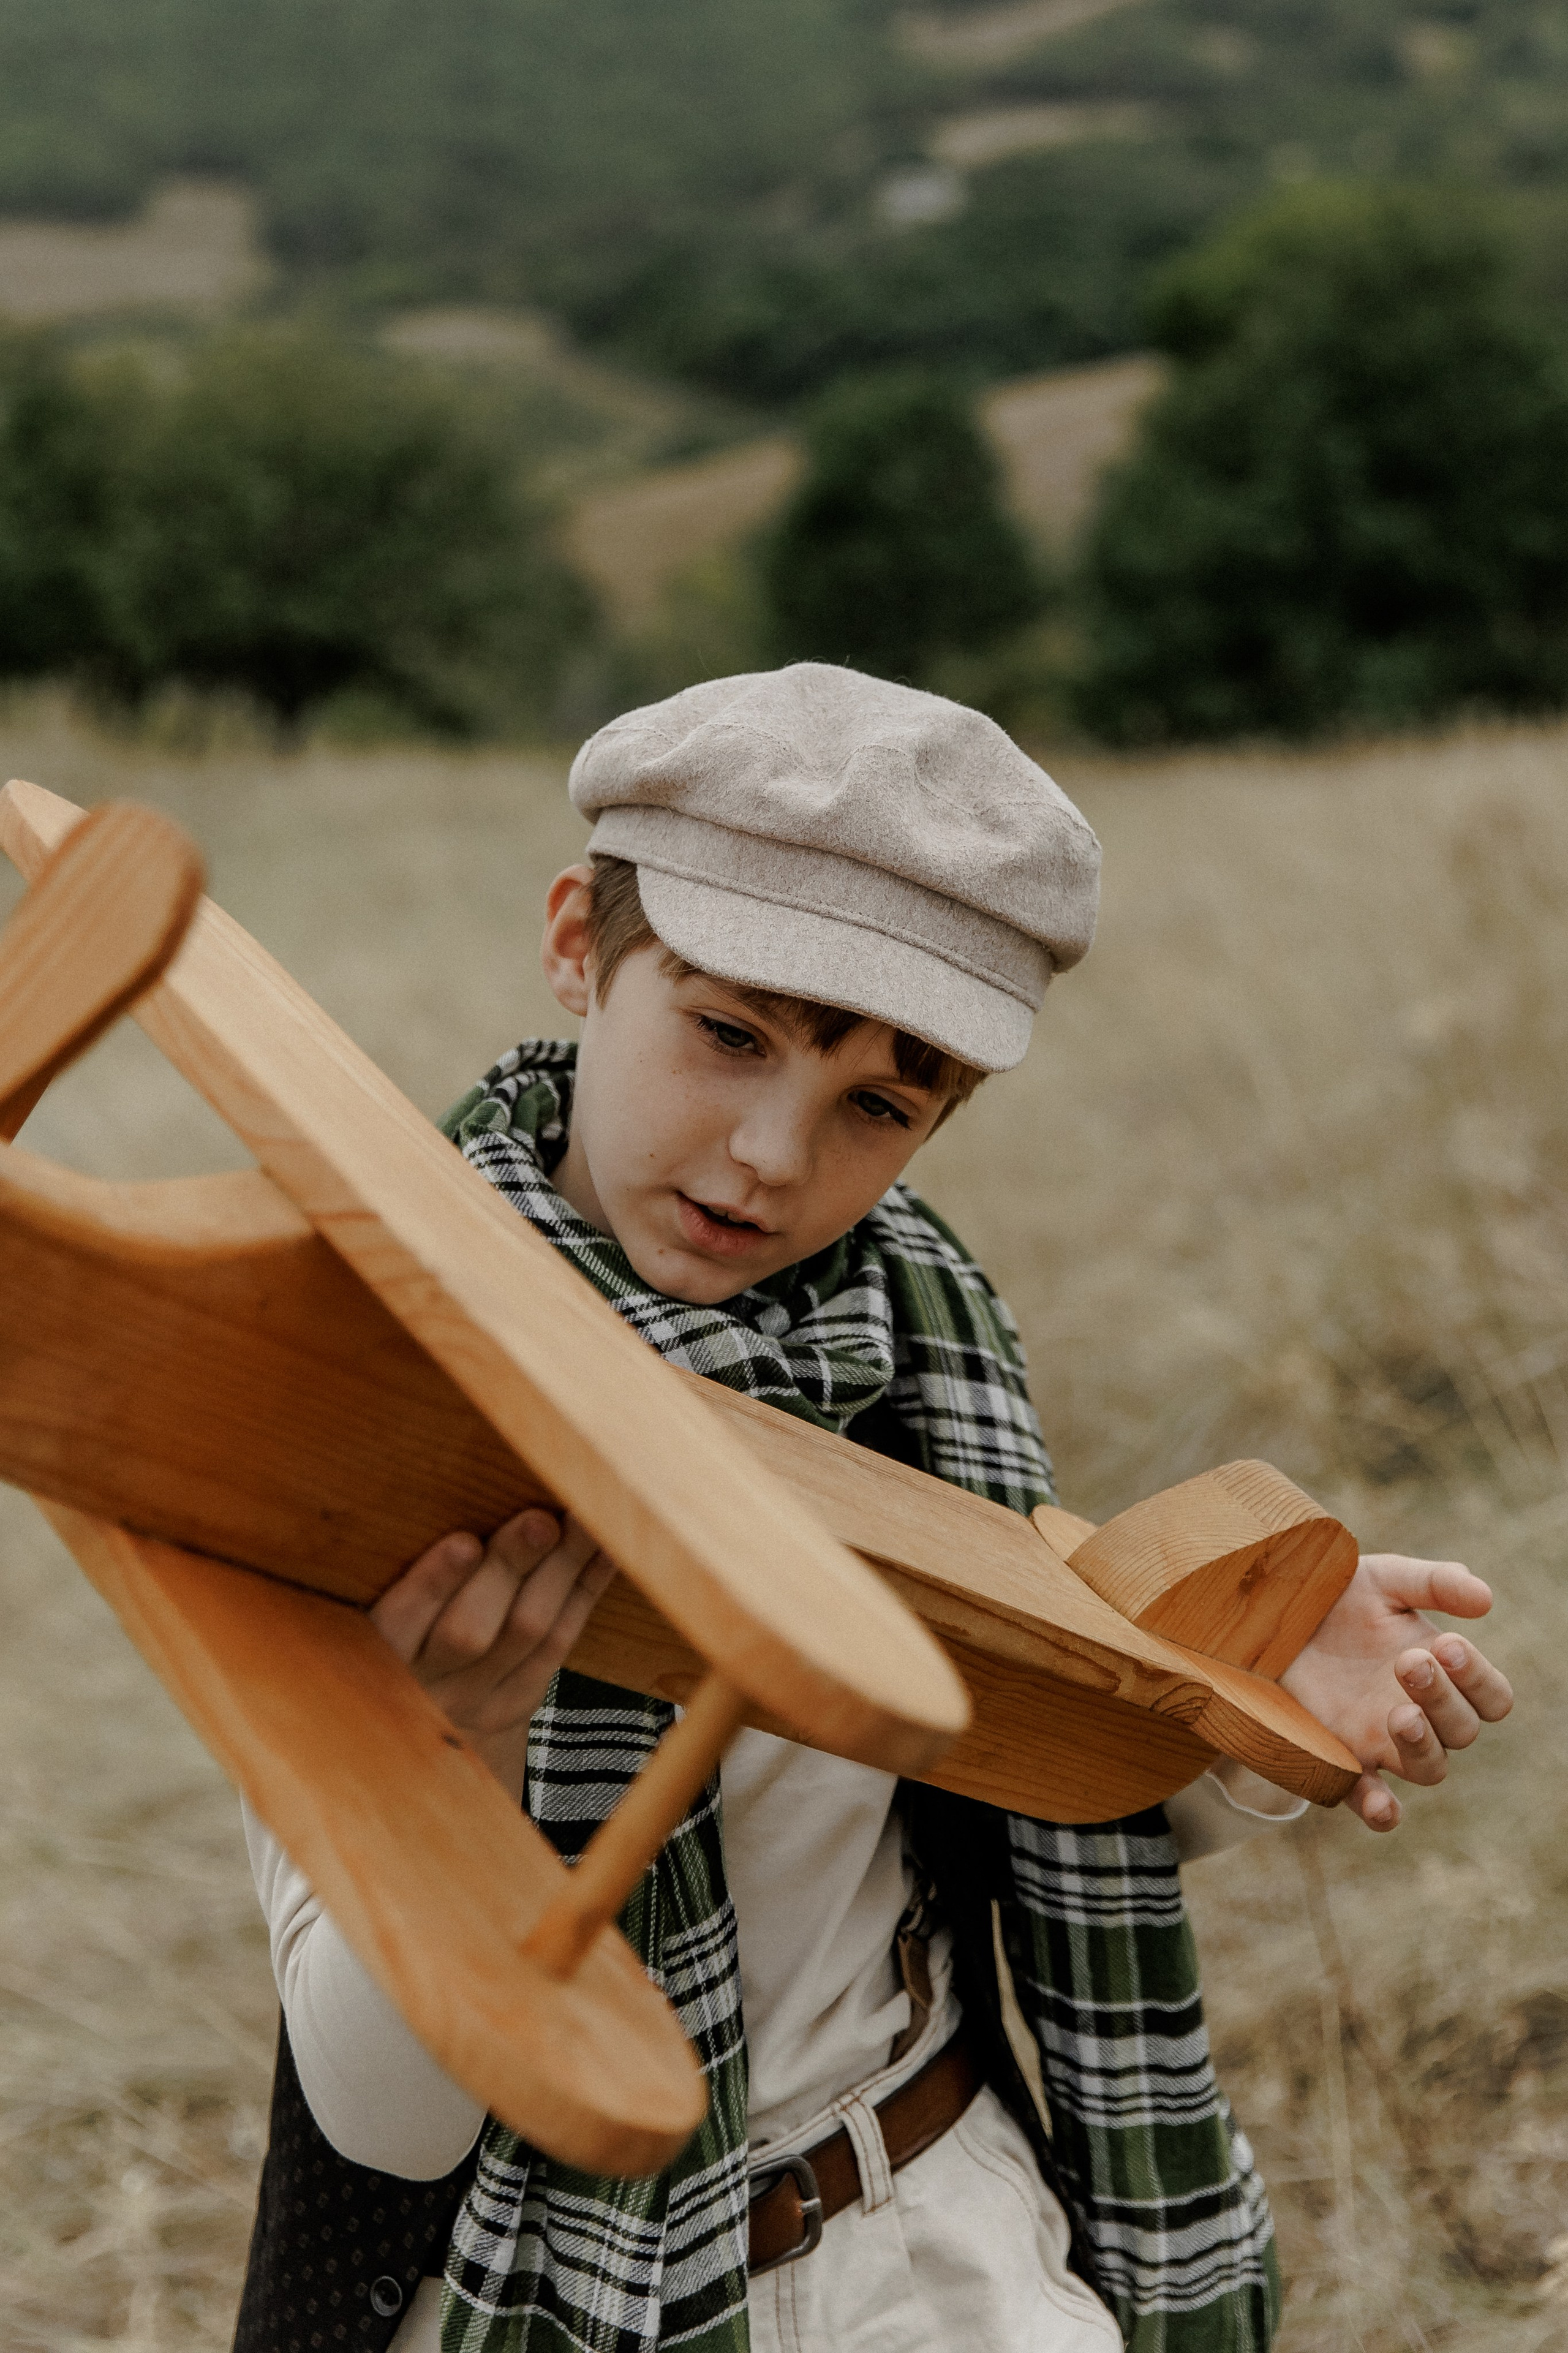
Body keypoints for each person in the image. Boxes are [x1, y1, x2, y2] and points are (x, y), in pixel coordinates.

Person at [233, 665, 1512, 2353]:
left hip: (950, 2244)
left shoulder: (917, 1362)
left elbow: (1019, 1789)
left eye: (879, 1103)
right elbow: (386, 2121)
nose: (770, 1154)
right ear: (576, 942)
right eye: (728, 1031)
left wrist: (1242, 1714)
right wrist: (445, 1769)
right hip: (564, 2293)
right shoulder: (368, 1387)